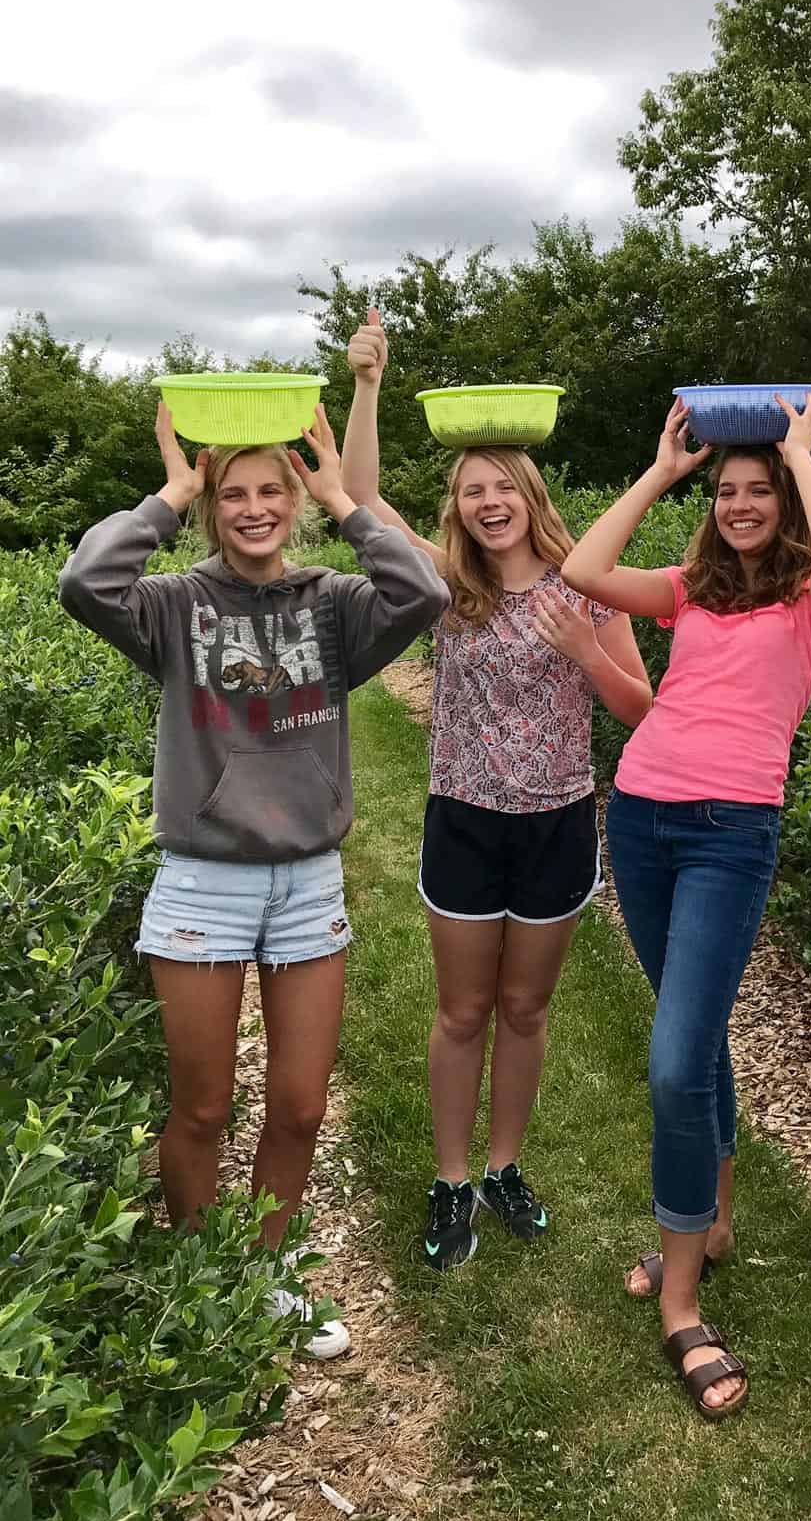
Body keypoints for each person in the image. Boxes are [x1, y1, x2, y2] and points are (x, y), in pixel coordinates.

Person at [59, 402, 448, 1356]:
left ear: (295, 501)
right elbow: (84, 579)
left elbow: (426, 591)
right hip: (203, 885)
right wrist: (169, 492)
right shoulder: (174, 608)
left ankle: (269, 1278)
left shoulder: (336, 604)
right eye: (232, 493)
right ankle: (197, 1282)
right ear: (210, 509)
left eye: (271, 490)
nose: (254, 508)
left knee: (302, 1104)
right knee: (201, 1104)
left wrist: (347, 500)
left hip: (308, 883)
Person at [562, 393, 811, 1418]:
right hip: (640, 815)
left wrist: (798, 452)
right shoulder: (690, 591)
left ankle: (682, 1298)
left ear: (783, 502)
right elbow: (584, 571)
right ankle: (715, 1224)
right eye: (728, 492)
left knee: (676, 1057)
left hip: (732, 835)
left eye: (757, 493)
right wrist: (661, 471)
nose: (740, 506)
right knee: (697, 1042)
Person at [340, 310, 653, 1271]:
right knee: (462, 1011)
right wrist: (366, 383)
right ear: (458, 508)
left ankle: (506, 1167)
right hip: (465, 823)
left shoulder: (589, 586)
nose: (488, 503)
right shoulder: (443, 587)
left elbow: (643, 709)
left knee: (526, 1011)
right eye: (472, 491)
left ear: (530, 494)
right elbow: (357, 495)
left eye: (502, 487)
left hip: (559, 822)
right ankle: (451, 1180)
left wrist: (586, 650)